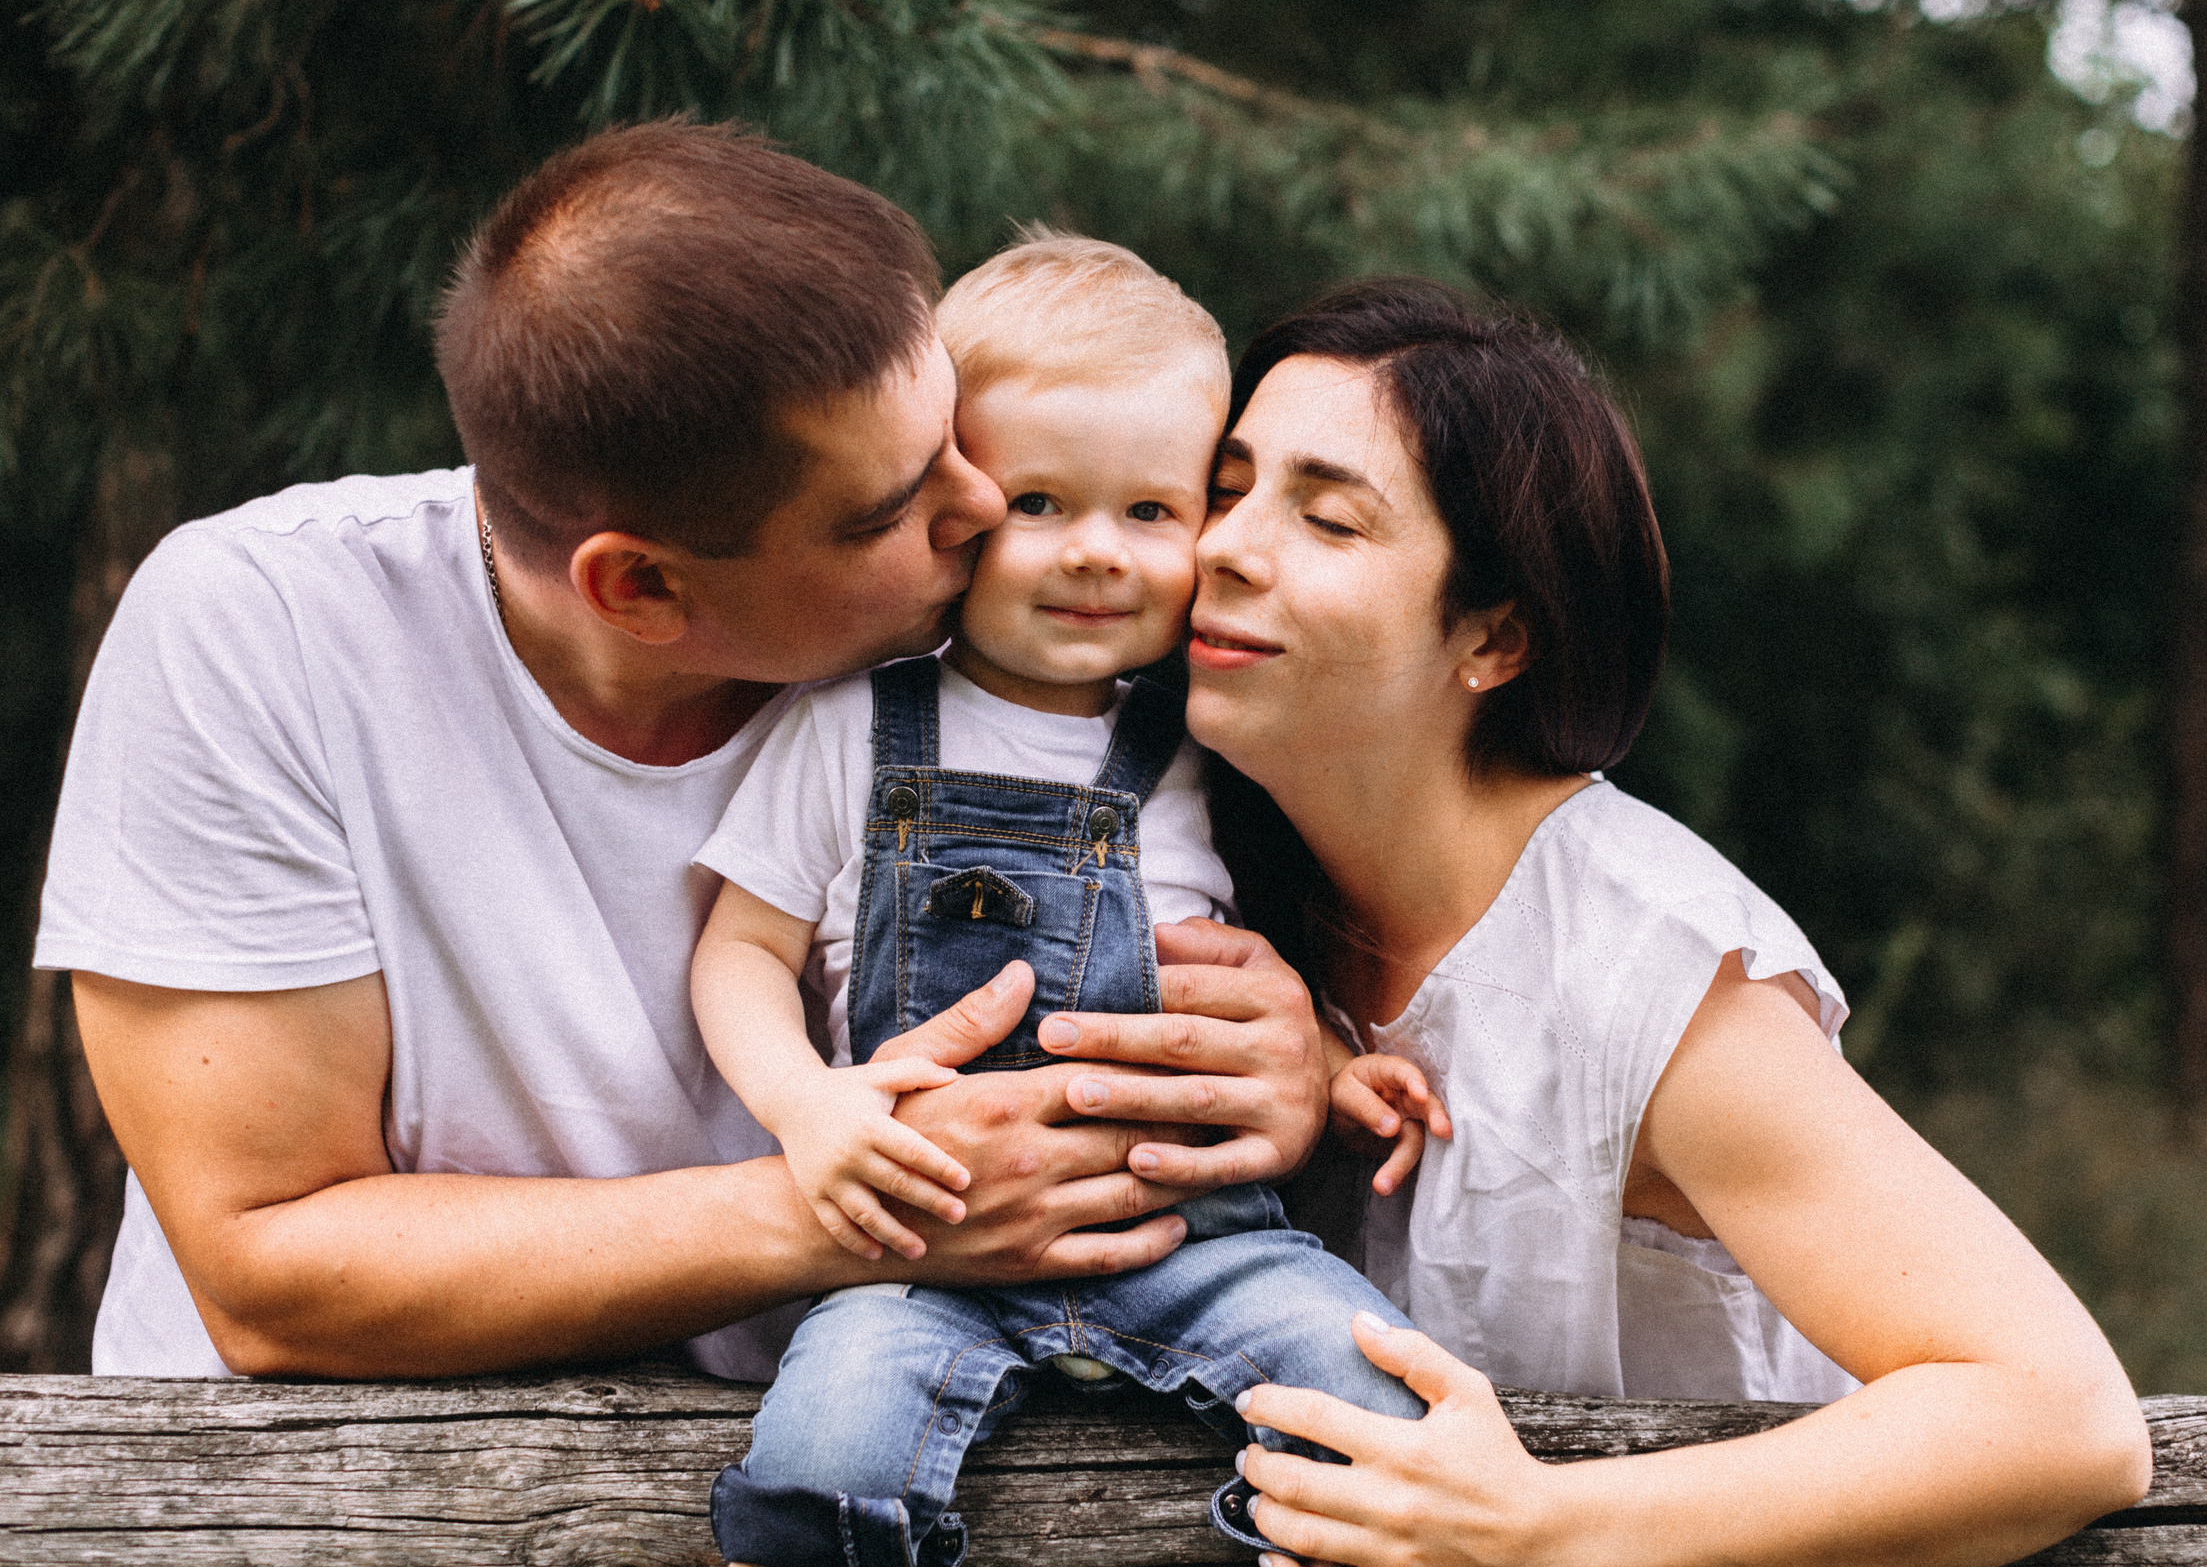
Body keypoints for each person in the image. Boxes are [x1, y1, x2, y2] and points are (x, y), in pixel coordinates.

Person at [34, 123, 1328, 1382]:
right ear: (642, 591)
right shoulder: (269, 631)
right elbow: (272, 1271)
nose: (984, 508)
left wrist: (1275, 1058)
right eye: (895, 504)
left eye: (961, 442)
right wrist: (846, 1212)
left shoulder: (1035, 648)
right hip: (324, 1496)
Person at [1079, 278, 2150, 1567]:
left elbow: (2065, 1415)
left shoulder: (1650, 975)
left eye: (1328, 518)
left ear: (1494, 638)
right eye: (1230, 486)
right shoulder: (1176, 866)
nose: (1228, 548)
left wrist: (1538, 1532)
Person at [687, 232, 1433, 1567]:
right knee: (827, 1450)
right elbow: (741, 949)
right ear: (956, 503)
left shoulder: (1211, 750)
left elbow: (1233, 970)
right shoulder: (848, 729)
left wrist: (1333, 1066)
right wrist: (807, 1107)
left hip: (1188, 1241)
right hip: (925, 1253)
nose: (1097, 554)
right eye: (1039, 504)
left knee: (1372, 1382)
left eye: (1150, 513)